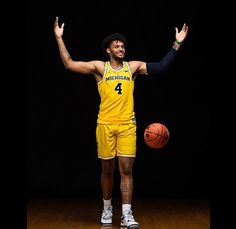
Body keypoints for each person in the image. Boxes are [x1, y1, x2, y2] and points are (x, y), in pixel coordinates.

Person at [54, 16, 188, 228]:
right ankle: (107, 208)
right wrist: (59, 38)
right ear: (108, 50)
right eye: (116, 46)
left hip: (127, 125)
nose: (121, 48)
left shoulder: (132, 68)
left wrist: (177, 43)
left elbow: (162, 67)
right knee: (107, 170)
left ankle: (127, 214)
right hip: (105, 125)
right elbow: (69, 64)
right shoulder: (100, 68)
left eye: (123, 46)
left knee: (126, 170)